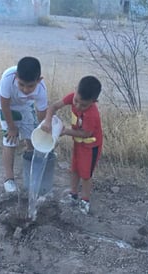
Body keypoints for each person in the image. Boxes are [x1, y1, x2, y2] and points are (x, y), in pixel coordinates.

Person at [41, 76, 102, 214]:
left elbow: (86, 134)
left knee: (86, 174)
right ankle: (73, 195)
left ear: (93, 102)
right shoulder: (73, 97)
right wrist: (47, 121)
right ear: (75, 91)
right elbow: (54, 106)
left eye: (83, 105)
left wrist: (66, 131)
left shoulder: (92, 114)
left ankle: (85, 200)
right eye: (76, 101)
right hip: (78, 143)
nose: (78, 106)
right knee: (74, 168)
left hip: (90, 146)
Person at [0, 56, 48, 193]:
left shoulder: (41, 89)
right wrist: (12, 128)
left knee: (32, 135)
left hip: (26, 104)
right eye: (21, 85)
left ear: (39, 80)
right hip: (7, 104)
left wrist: (43, 134)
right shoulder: (8, 79)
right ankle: (9, 179)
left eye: (30, 86)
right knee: (9, 140)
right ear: (16, 77)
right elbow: (5, 105)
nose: (25, 89)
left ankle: (31, 170)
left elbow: (42, 113)